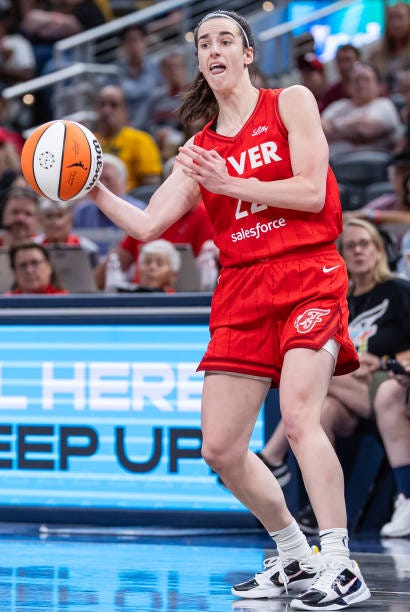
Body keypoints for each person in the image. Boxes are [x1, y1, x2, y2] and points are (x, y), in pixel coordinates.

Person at [88, 10, 370, 609]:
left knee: (298, 417)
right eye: (203, 43)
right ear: (200, 62)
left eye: (224, 40)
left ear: (246, 54)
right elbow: (147, 222)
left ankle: (341, 563)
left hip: (308, 272)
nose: (213, 49)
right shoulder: (199, 152)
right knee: (219, 447)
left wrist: (232, 183)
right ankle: (294, 554)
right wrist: (93, 187)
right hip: (242, 288)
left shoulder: (290, 102)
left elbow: (313, 190)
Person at [260, 219, 410, 535]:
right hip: (347, 386)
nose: (357, 251)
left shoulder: (398, 291)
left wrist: (380, 360)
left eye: (364, 244)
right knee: (323, 410)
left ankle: (272, 456)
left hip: (385, 383)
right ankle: (322, 510)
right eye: (350, 246)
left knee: (310, 376)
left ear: (380, 250)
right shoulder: (340, 296)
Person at [321, 62, 403, 157]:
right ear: (348, 86)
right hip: (331, 162)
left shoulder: (384, 104)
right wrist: (352, 129)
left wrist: (333, 126)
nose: (361, 84)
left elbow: (364, 130)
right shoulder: (338, 105)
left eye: (366, 79)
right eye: (356, 80)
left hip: (370, 165)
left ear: (378, 86)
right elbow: (319, 130)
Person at [93, 85, 163, 192]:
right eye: (102, 104)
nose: (106, 110)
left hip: (129, 202)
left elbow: (151, 187)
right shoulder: (89, 141)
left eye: (113, 105)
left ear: (125, 110)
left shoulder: (141, 140)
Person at [34, 198, 99, 264]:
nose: (54, 222)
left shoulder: (87, 248)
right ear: (40, 221)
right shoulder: (33, 247)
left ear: (70, 220)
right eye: (49, 216)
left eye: (60, 216)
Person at [367, 1, 410, 95]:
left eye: (399, 17)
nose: (395, 23)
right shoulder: (376, 55)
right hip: (384, 105)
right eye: (391, 18)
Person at [320, 44, 361, 112]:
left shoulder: (371, 87)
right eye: (339, 61)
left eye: (347, 60)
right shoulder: (331, 93)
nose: (343, 65)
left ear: (358, 60)